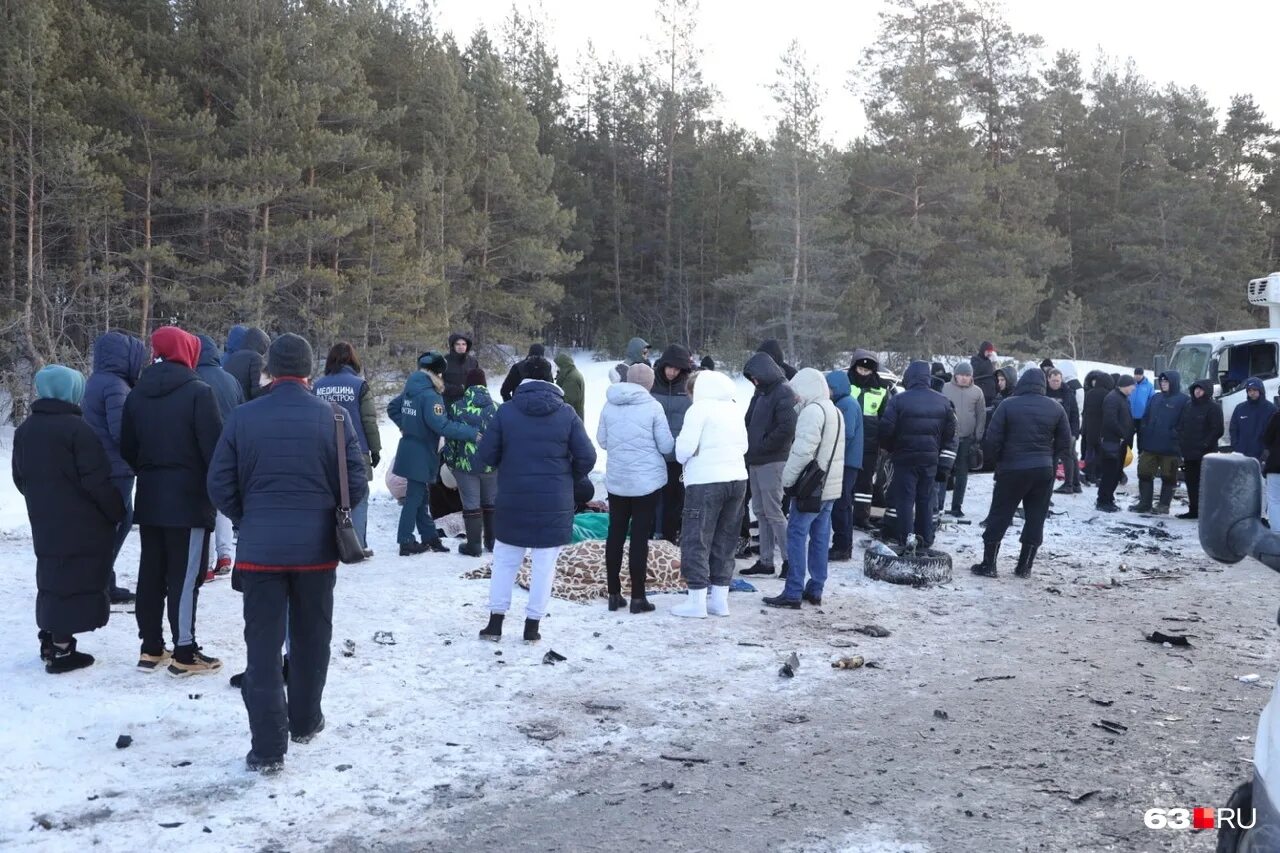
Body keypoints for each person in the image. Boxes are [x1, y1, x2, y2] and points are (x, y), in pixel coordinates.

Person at [207, 333, 369, 774]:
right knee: (312, 638)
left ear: (270, 371)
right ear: (309, 371)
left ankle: (267, 747)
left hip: (260, 552)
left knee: (261, 649)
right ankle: (304, 720)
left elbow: (219, 483)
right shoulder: (335, 418)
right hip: (316, 552)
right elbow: (355, 484)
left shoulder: (243, 417)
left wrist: (249, 516)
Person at [120, 326, 223, 675]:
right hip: (189, 499)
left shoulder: (136, 393)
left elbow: (127, 447)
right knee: (186, 577)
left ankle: (151, 647)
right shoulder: (199, 392)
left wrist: (151, 472)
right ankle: (184, 651)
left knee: (151, 572)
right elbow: (214, 450)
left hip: (150, 495)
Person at [476, 356, 596, 642]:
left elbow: (484, 459)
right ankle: (532, 627)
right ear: (551, 379)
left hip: (512, 500)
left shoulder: (506, 412)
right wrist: (568, 477)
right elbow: (588, 457)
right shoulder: (566, 413)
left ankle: (495, 624)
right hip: (553, 503)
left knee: (505, 562)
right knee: (544, 567)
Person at [14, 365, 126, 673]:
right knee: (73, 579)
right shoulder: (78, 430)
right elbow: (97, 480)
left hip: (45, 517)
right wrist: (117, 510)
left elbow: (19, 477)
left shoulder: (26, 429)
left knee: (52, 576)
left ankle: (50, 638)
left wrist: (43, 500)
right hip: (82, 521)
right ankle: (62, 651)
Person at [970, 368, 1071, 578]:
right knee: (1036, 518)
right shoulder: (1055, 407)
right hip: (1043, 471)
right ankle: (1024, 567)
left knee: (1000, 514)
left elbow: (993, 439)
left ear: (1021, 383)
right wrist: (1050, 460)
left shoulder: (1008, 405)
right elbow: (1065, 441)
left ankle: (989, 564)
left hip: (1012, 469)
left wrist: (999, 461)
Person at [670, 370, 749, 618]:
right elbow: (745, 446)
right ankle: (719, 600)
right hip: (737, 480)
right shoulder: (734, 408)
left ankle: (696, 601)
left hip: (706, 481)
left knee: (697, 538)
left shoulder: (699, 409)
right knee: (725, 539)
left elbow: (683, 450)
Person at [764, 369, 845, 609]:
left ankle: (793, 591)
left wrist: (787, 481)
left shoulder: (812, 412)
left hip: (811, 489)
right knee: (820, 538)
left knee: (796, 535)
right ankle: (816, 588)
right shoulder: (835, 410)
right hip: (830, 488)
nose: (795, 397)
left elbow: (802, 452)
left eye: (797, 392)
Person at [596, 362, 674, 613]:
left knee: (615, 534)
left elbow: (602, 440)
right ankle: (638, 597)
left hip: (618, 480)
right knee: (639, 537)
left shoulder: (610, 404)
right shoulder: (653, 407)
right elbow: (665, 446)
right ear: (649, 384)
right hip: (646, 483)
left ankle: (613, 593)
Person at [390, 352, 478, 556]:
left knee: (421, 497)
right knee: (414, 498)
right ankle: (405, 540)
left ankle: (430, 537)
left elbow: (393, 408)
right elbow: (442, 425)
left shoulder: (412, 390)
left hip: (410, 448)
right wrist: (471, 433)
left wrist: (407, 426)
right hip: (421, 452)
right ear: (437, 373)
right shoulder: (430, 395)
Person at [81, 330, 147, 604]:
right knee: (119, 522)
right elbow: (122, 431)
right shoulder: (116, 386)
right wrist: (142, 453)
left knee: (113, 523)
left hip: (102, 465)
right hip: (116, 467)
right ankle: (101, 582)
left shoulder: (97, 380)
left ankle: (103, 580)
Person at [879, 361, 957, 548]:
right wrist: (943, 460)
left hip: (904, 458)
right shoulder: (943, 402)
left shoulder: (898, 400)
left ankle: (906, 537)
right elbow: (950, 434)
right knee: (925, 498)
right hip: (930, 459)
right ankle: (926, 537)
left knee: (905, 500)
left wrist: (891, 448)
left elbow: (885, 430)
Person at [313, 342, 380, 556]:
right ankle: (356, 544)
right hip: (355, 447)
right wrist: (375, 449)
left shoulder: (319, 386)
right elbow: (368, 420)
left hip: (325, 448)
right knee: (359, 494)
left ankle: (328, 543)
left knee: (328, 495)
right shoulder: (359, 385)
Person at [739, 350, 797, 576]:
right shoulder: (761, 392)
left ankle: (789, 560)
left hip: (772, 461)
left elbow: (787, 427)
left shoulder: (783, 392)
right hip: (754, 459)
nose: (754, 381)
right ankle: (765, 560)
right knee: (760, 511)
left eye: (755, 376)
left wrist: (763, 445)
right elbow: (748, 421)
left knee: (774, 512)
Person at [196, 335, 246, 577]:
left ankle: (204, 563)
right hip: (227, 448)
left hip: (198, 449)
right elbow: (241, 410)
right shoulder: (230, 379)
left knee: (202, 505)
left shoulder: (192, 378)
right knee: (223, 502)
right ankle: (225, 554)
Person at [443, 368, 500, 557]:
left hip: (465, 465)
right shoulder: (498, 407)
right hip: (492, 464)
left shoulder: (457, 407)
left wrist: (450, 462)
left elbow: (451, 438)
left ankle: (474, 545)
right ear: (484, 384)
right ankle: (492, 542)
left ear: (467, 385)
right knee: (491, 502)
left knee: (471, 504)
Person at [846, 349, 894, 531]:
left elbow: (886, 417)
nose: (863, 373)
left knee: (865, 482)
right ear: (854, 367)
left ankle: (861, 516)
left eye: (867, 371)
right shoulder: (846, 384)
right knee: (844, 480)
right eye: (860, 369)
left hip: (870, 442)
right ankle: (842, 514)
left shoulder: (881, 389)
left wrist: (883, 442)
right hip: (847, 440)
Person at [650, 344, 694, 543]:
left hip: (679, 454)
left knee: (675, 500)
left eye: (677, 369)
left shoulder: (688, 388)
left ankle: (669, 536)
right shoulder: (651, 384)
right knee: (653, 498)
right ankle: (654, 533)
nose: (672, 372)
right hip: (654, 452)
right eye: (669, 367)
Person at [1132, 371, 1189, 515]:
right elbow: (1145, 417)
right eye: (1162, 381)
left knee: (1168, 477)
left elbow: (1186, 423)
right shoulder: (1156, 397)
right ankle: (1145, 503)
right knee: (1144, 473)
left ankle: (1163, 505)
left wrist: (1174, 435)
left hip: (1171, 447)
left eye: (1166, 381)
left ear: (1174, 382)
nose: (1163, 384)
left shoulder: (1183, 400)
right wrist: (1145, 431)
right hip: (1150, 444)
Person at [824, 370, 864, 562]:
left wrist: (833, 455)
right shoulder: (845, 403)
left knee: (841, 504)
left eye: (829, 388)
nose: (827, 392)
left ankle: (842, 546)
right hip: (848, 460)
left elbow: (845, 435)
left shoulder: (846, 404)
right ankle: (842, 544)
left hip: (846, 461)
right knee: (843, 504)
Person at [941, 361, 986, 517]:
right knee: (943, 471)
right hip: (947, 438)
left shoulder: (977, 392)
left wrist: (978, 435)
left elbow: (981, 415)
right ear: (955, 375)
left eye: (967, 375)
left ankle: (957, 506)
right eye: (961, 375)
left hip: (967, 438)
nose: (964, 378)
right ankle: (938, 504)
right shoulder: (945, 388)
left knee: (962, 473)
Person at [1176, 380, 1223, 520]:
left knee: (1206, 484)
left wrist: (1205, 444)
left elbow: (1217, 430)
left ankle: (1207, 511)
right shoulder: (1188, 406)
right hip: (1189, 452)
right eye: (1196, 389)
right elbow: (1181, 426)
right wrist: (1181, 443)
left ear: (1207, 391)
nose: (1198, 392)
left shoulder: (1213, 408)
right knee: (1191, 483)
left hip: (1206, 453)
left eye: (1201, 389)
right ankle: (1193, 509)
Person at [1095, 375, 1136, 512]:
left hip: (1120, 442)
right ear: (1125, 385)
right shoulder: (1112, 398)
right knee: (1109, 472)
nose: (1134, 388)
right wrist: (1122, 434)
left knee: (1116, 472)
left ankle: (1109, 498)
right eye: (1132, 385)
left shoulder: (1123, 398)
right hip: (1112, 441)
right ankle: (1103, 500)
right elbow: (1110, 420)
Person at [1045, 368, 1081, 495]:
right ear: (1048, 379)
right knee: (1052, 457)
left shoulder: (1068, 393)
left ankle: (1071, 484)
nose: (1056, 383)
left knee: (1069, 456)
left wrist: (1075, 433)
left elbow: (1075, 414)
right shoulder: (1043, 391)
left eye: (1058, 381)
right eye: (1053, 380)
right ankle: (1050, 484)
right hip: (1048, 431)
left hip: (1066, 430)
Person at [1080, 370, 1115, 486]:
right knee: (1100, 453)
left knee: (1090, 451)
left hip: (1090, 427)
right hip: (1101, 428)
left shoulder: (1089, 393)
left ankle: (1089, 473)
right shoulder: (1108, 395)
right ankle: (1098, 474)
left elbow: (1085, 411)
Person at [1229, 377, 1275, 463]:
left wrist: (1267, 451)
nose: (1252, 393)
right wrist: (1235, 446)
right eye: (1249, 390)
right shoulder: (1240, 408)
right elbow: (1233, 429)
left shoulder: (1271, 409)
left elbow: (1275, 433)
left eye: (1255, 390)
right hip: (1241, 455)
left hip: (1262, 457)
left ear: (1261, 390)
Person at [223, 326, 271, 403]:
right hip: (247, 406)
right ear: (262, 345)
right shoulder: (257, 359)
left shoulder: (232, 357)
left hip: (232, 404)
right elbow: (261, 390)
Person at [442, 332, 479, 407]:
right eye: (457, 344)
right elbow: (438, 383)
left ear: (467, 346)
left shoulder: (473, 361)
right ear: (453, 346)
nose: (461, 346)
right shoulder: (444, 361)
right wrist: (459, 389)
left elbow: (479, 383)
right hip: (449, 403)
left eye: (463, 344)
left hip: (469, 403)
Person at [1130, 367, 1154, 442]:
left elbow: (1152, 399)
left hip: (1142, 417)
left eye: (1139, 375)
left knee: (1141, 439)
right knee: (1128, 438)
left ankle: (1140, 452)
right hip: (1130, 417)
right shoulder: (1130, 383)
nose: (1137, 376)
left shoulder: (1149, 386)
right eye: (1136, 375)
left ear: (1142, 375)